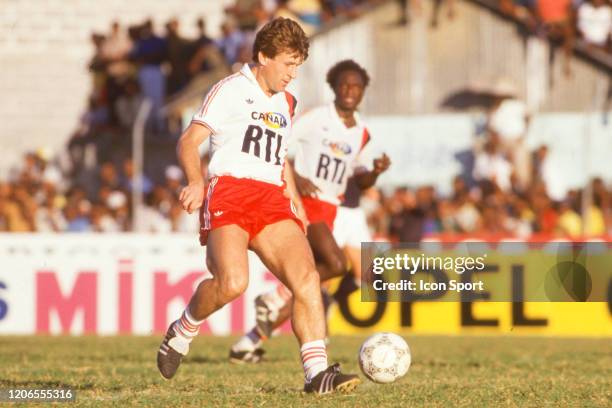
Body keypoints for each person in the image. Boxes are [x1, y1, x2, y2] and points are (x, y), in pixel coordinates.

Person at [156, 18, 359, 395]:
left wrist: (295, 202)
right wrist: (196, 182)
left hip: (270, 198)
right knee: (232, 283)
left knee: (308, 279)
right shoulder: (230, 90)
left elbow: (279, 158)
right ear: (263, 56)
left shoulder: (288, 102)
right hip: (229, 192)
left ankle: (316, 374)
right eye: (287, 64)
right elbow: (189, 140)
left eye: (298, 65)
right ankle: (183, 329)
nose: (292, 74)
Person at [229, 59, 390, 363]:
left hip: (341, 209)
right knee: (334, 268)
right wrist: (294, 174)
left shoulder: (362, 133)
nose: (349, 91)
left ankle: (247, 343)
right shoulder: (316, 118)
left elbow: (362, 176)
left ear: (363, 90)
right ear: (334, 87)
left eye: (356, 86)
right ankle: (280, 303)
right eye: (343, 84)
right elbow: (280, 141)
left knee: (322, 281)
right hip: (312, 204)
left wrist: (376, 173)